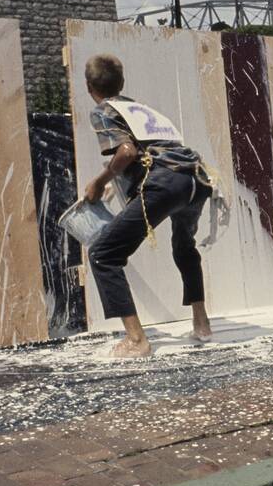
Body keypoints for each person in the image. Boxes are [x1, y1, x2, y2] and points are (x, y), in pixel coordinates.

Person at [83, 54, 216, 358]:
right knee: (184, 246)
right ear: (123, 83)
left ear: (89, 86)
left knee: (104, 254)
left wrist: (100, 181)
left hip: (167, 182)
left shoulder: (104, 110)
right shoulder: (138, 108)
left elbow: (127, 152)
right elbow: (151, 152)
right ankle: (201, 322)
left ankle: (136, 340)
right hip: (196, 179)